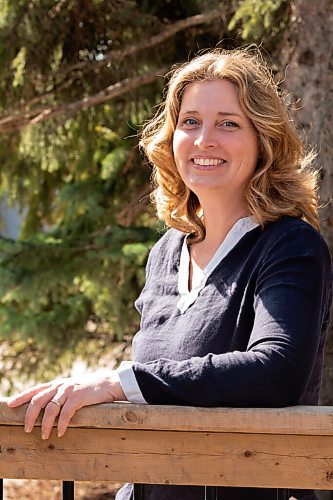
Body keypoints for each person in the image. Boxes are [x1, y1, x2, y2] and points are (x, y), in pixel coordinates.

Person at [7, 48, 332, 500]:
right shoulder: (165, 254)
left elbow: (277, 370)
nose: (204, 140)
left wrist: (117, 383)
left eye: (229, 123)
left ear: (264, 140)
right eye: (191, 122)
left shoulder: (290, 245)